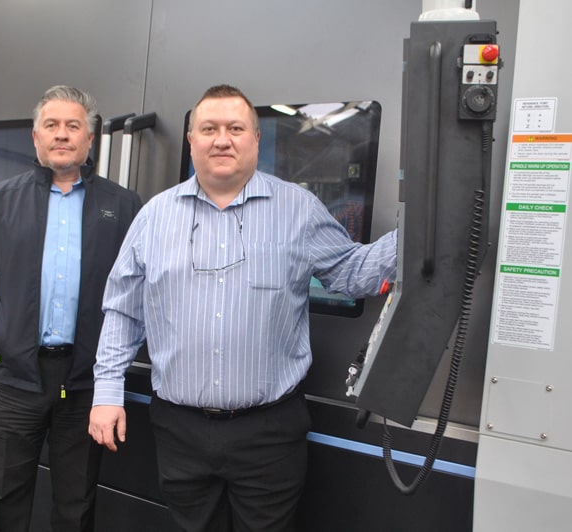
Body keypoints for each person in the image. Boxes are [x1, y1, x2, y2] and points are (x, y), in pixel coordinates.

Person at [88, 84, 397, 532]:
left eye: (235, 128)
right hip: (179, 429)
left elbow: (354, 272)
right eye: (209, 129)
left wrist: (423, 231)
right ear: (191, 139)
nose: (222, 139)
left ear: (255, 138)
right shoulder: (154, 217)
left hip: (269, 432)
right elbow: (123, 311)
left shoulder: (298, 210)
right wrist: (106, 392)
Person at [0, 85, 142, 532]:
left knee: (76, 505)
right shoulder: (0, 200)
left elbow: (140, 287)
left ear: (89, 138)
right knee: (2, 500)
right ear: (35, 137)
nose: (62, 134)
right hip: (16, 378)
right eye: (51, 125)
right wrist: (0, 330)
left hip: (85, 382)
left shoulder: (123, 205)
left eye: (73, 126)